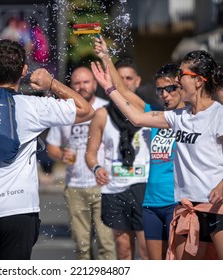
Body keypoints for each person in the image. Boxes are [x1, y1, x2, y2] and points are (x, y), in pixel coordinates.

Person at [0, 39, 94, 260]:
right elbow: (86, 110)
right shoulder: (34, 106)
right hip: (20, 210)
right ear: (23, 70)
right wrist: (51, 82)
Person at [91, 46, 223, 259]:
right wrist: (109, 88)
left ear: (199, 81)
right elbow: (136, 117)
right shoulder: (178, 116)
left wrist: (222, 185)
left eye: (182, 75)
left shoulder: (218, 114)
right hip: (187, 208)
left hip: (216, 208)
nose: (178, 81)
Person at [93, 37, 186, 259]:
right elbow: (124, 94)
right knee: (152, 263)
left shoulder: (190, 119)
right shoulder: (157, 116)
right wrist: (107, 58)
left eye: (171, 88)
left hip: (178, 202)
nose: (165, 95)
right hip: (151, 201)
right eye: (161, 90)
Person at [46, 66, 116, 260]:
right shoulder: (65, 111)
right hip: (75, 186)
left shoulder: (106, 109)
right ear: (71, 86)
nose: (81, 86)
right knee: (82, 246)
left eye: (86, 82)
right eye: (77, 83)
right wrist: (61, 155)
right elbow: (51, 146)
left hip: (103, 185)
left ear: (94, 84)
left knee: (106, 242)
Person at [85, 59, 150, 260]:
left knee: (147, 250)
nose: (124, 83)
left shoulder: (146, 111)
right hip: (114, 188)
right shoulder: (102, 114)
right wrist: (96, 168)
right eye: (118, 78)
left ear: (137, 81)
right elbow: (90, 153)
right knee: (123, 249)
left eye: (128, 78)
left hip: (143, 185)